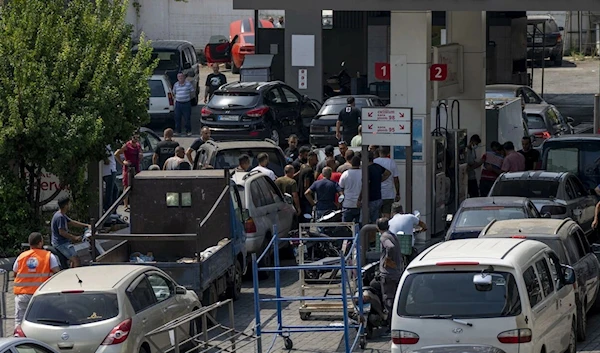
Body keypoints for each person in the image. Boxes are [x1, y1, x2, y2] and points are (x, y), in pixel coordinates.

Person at [13, 232, 61, 327]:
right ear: (40, 243)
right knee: (42, 321)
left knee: (19, 322)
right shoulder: (48, 256)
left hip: (23, 295)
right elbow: (57, 273)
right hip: (41, 295)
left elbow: (15, 273)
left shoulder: (21, 257)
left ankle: (19, 340)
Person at [51, 196, 90, 268]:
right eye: (69, 204)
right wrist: (74, 237)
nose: (70, 205)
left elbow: (72, 222)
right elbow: (61, 232)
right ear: (66, 205)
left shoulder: (61, 214)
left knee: (74, 258)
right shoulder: (60, 217)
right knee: (76, 260)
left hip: (63, 242)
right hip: (60, 243)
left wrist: (86, 225)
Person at [376, 218, 403, 323]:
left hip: (388, 274)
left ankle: (390, 322)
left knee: (388, 298)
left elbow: (390, 247)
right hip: (396, 272)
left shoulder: (384, 237)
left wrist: (387, 259)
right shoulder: (392, 235)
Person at [360, 152, 391, 224]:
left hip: (370, 199)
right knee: (375, 222)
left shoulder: (367, 170)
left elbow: (364, 185)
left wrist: (360, 198)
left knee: (364, 222)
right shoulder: (378, 167)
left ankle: (366, 235)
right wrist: (380, 180)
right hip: (378, 198)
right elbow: (388, 173)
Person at [115, 132, 143, 211]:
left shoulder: (138, 145)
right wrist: (123, 162)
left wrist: (141, 156)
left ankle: (136, 202)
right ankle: (125, 204)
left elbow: (140, 153)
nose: (136, 139)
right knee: (126, 186)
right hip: (128, 168)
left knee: (137, 185)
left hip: (136, 167)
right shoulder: (127, 145)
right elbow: (116, 154)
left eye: (137, 138)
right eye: (134, 137)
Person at [375, 146, 401, 218]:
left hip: (376, 194)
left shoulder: (375, 161)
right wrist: (398, 193)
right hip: (388, 194)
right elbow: (396, 179)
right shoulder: (391, 162)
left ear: (379, 152)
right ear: (389, 152)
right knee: (387, 215)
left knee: (376, 214)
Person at [339, 156, 362, 223]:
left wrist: (341, 200)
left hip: (347, 204)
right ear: (359, 163)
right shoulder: (364, 173)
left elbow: (341, 188)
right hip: (360, 204)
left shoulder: (345, 174)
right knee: (359, 227)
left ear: (351, 163)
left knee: (346, 227)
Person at [297, 151, 319, 222]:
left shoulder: (303, 166)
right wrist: (311, 200)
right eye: (316, 159)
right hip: (306, 199)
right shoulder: (309, 171)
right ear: (311, 159)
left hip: (301, 197)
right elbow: (306, 185)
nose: (317, 161)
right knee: (307, 219)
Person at [102, 144, 118, 213]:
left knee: (115, 190)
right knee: (110, 192)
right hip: (109, 171)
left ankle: (113, 209)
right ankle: (108, 210)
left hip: (110, 170)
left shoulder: (109, 146)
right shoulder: (105, 147)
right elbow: (106, 160)